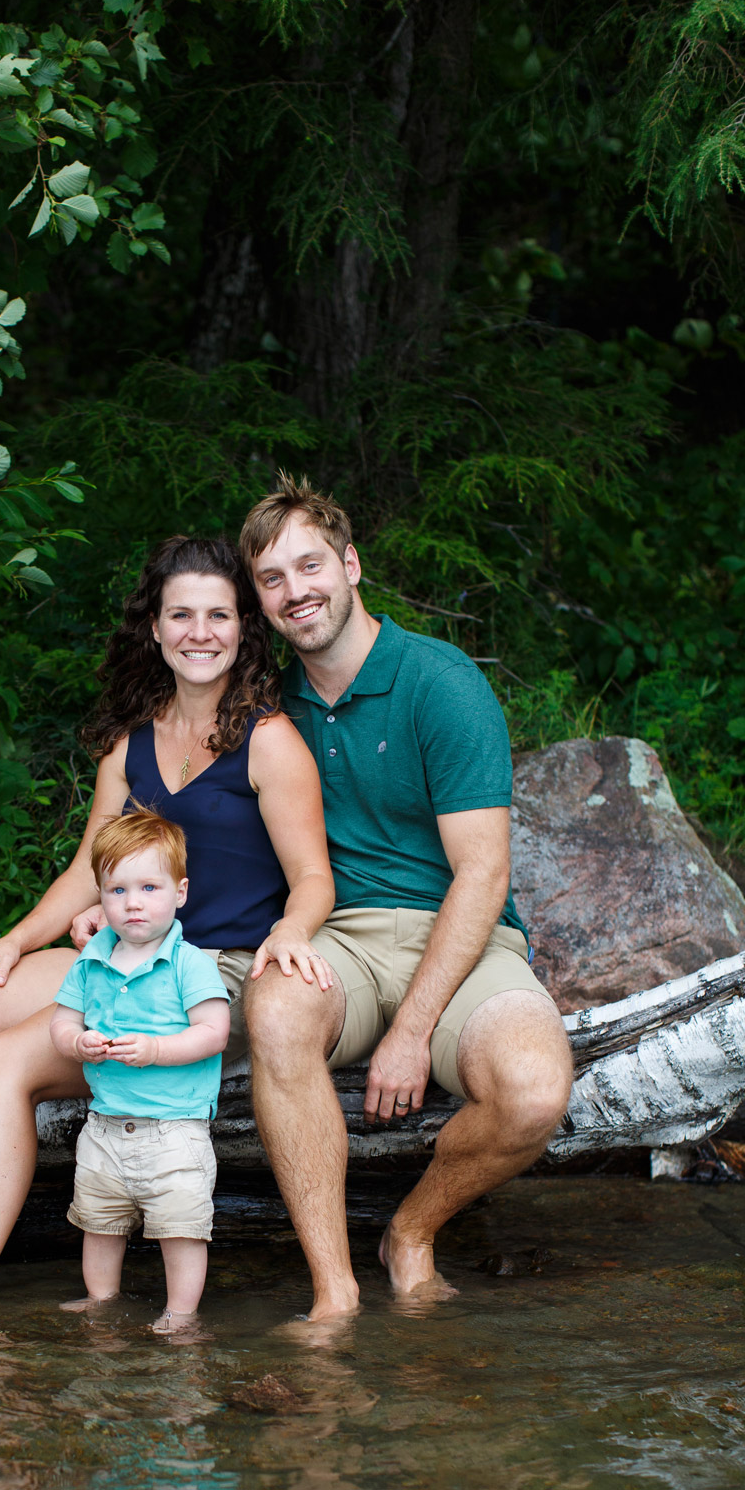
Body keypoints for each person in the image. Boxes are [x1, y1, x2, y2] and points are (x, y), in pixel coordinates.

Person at [0, 536, 337, 1325]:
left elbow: (315, 875)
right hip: (121, 955)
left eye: (219, 614)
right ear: (154, 627)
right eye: (180, 614)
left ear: (243, 628)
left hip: (204, 978)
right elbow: (90, 866)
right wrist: (15, 941)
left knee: (6, 1059)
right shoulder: (133, 741)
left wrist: (295, 927)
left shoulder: (270, 740)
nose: (199, 631)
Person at [240, 474, 572, 1320]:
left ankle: (411, 1232)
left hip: (462, 937)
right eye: (271, 580)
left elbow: (483, 875)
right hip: (339, 936)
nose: (294, 592)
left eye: (309, 566)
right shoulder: (267, 705)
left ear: (350, 565)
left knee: (534, 1091)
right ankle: (334, 1289)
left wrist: (412, 1031)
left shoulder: (439, 681)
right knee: (275, 1009)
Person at [50, 810, 230, 1334]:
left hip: (175, 1130)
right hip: (104, 1126)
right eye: (116, 889)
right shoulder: (90, 961)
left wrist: (155, 1048)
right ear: (101, 898)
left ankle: (181, 1313)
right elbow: (62, 1023)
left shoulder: (189, 962)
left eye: (149, 887)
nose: (132, 903)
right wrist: (77, 1042)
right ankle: (100, 1299)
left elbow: (213, 1031)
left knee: (181, 1227)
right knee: (98, 1221)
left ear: (180, 892)